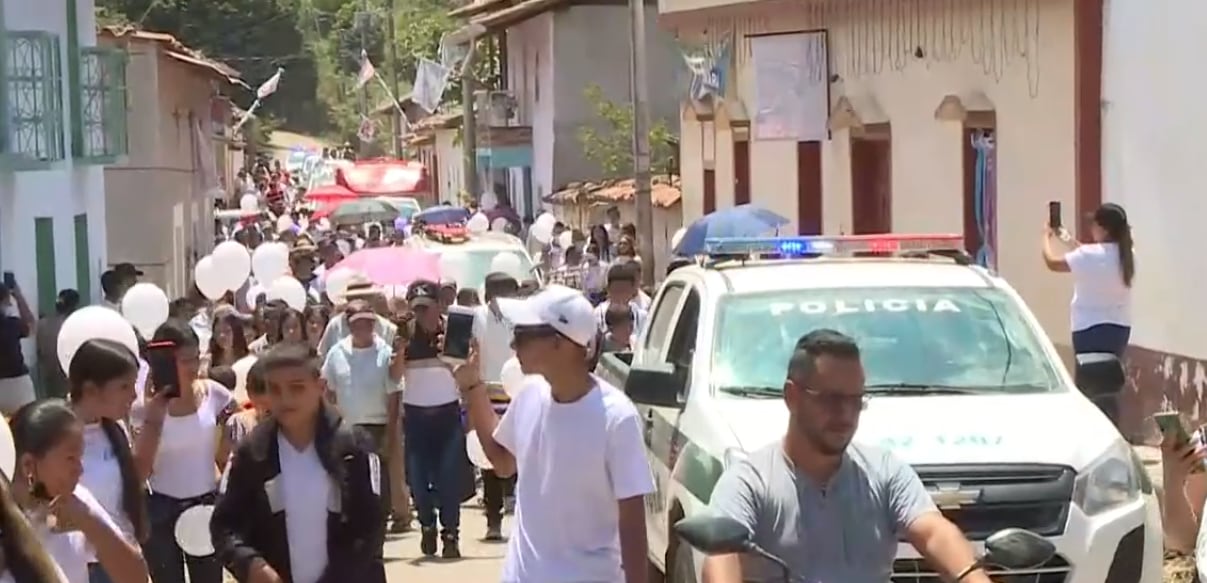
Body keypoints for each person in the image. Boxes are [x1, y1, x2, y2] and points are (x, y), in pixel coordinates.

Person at [701, 329, 991, 583]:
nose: (846, 414)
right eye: (831, 400)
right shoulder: (750, 483)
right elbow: (720, 558)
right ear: (792, 397)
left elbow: (933, 532)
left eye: (856, 401)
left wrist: (973, 576)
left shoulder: (884, 472)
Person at [457, 285, 654, 582]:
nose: (513, 344)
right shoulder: (529, 396)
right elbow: (502, 463)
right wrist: (473, 387)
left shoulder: (617, 418)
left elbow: (633, 524)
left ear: (560, 343)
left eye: (523, 335)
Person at [211, 342, 386, 583]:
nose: (285, 399)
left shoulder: (353, 449)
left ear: (320, 387)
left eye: (297, 388)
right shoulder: (252, 454)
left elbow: (370, 526)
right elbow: (224, 526)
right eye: (274, 389)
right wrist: (252, 565)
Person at [131, 319, 236, 583]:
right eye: (183, 360)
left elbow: (244, 421)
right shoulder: (144, 410)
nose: (193, 367)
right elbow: (141, 468)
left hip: (205, 504)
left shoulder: (214, 394)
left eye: (196, 358)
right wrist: (149, 415)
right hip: (159, 507)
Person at [10, 400, 149, 583]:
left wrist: (89, 521)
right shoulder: (6, 521)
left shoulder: (76, 501)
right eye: (70, 458)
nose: (79, 470)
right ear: (28, 465)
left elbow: (137, 578)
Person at [66, 339, 149, 583]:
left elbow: (135, 480)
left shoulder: (115, 429)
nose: (134, 395)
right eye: (124, 386)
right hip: (84, 567)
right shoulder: (56, 436)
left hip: (122, 556)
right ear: (91, 389)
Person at [320, 301, 405, 532]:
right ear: (349, 326)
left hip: (377, 426)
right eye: (358, 324)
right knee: (350, 482)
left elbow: (393, 394)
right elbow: (326, 388)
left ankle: (378, 529)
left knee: (379, 484)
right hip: (347, 428)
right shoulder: (337, 353)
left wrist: (390, 433)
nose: (364, 328)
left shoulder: (385, 352)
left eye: (368, 323)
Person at [401, 281, 466, 558]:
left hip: (447, 415)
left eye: (427, 308)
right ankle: (427, 524)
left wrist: (449, 354)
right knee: (417, 480)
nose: (422, 315)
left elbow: (467, 372)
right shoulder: (404, 333)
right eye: (417, 310)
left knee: (449, 478)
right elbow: (393, 377)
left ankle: (450, 533)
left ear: (439, 305)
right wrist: (398, 354)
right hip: (416, 417)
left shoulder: (456, 329)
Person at [1042, 202, 1135, 356]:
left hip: (1088, 328)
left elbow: (1052, 263)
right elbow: (1091, 255)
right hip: (1119, 329)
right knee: (1110, 374)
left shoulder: (1089, 256)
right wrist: (1065, 238)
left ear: (1103, 229)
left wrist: (1045, 237)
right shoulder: (1129, 256)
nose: (1091, 229)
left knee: (1089, 376)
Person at [472, 273, 520, 540]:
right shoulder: (478, 317)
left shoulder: (522, 318)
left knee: (507, 455)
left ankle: (505, 514)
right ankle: (495, 517)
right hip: (493, 391)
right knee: (491, 456)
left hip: (510, 391)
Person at [38, 289, 81, 399]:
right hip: (67, 374)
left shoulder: (43, 324)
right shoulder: (73, 325)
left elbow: (40, 351)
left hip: (48, 374)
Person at [0, 282, 35, 415]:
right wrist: (19, 297)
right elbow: (31, 326)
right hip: (17, 383)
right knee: (27, 422)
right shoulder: (11, 324)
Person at [593, 263, 647, 334]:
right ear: (608, 290)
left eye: (624, 291)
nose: (620, 295)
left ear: (632, 291)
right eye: (616, 290)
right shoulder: (597, 315)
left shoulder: (641, 317)